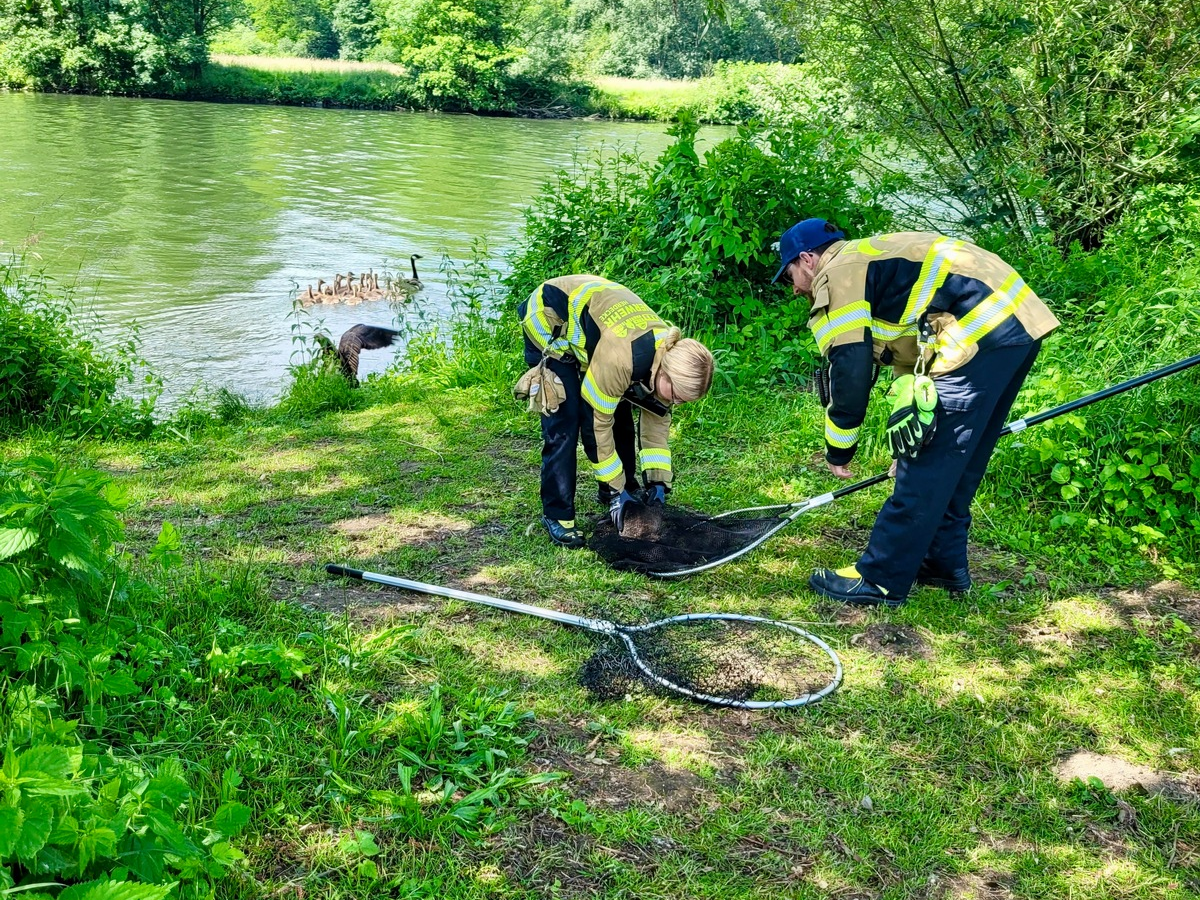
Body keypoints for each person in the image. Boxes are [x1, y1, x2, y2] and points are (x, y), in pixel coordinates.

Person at [772, 219, 1059, 606]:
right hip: (1014, 325)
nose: (793, 288)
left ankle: (881, 578)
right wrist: (908, 438)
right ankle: (942, 563)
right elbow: (912, 351)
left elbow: (850, 371)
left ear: (807, 259)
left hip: (977, 331)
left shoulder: (837, 274)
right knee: (956, 458)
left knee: (927, 464)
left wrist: (839, 449)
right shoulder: (871, 260)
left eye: (789, 274)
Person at [517, 275, 715, 548]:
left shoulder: (668, 354)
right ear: (664, 373)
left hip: (599, 329)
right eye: (677, 396)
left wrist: (658, 484)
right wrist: (615, 490)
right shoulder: (623, 361)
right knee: (565, 419)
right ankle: (558, 514)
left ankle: (623, 488)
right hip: (551, 319)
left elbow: (656, 425)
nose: (677, 403)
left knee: (620, 409)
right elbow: (595, 424)